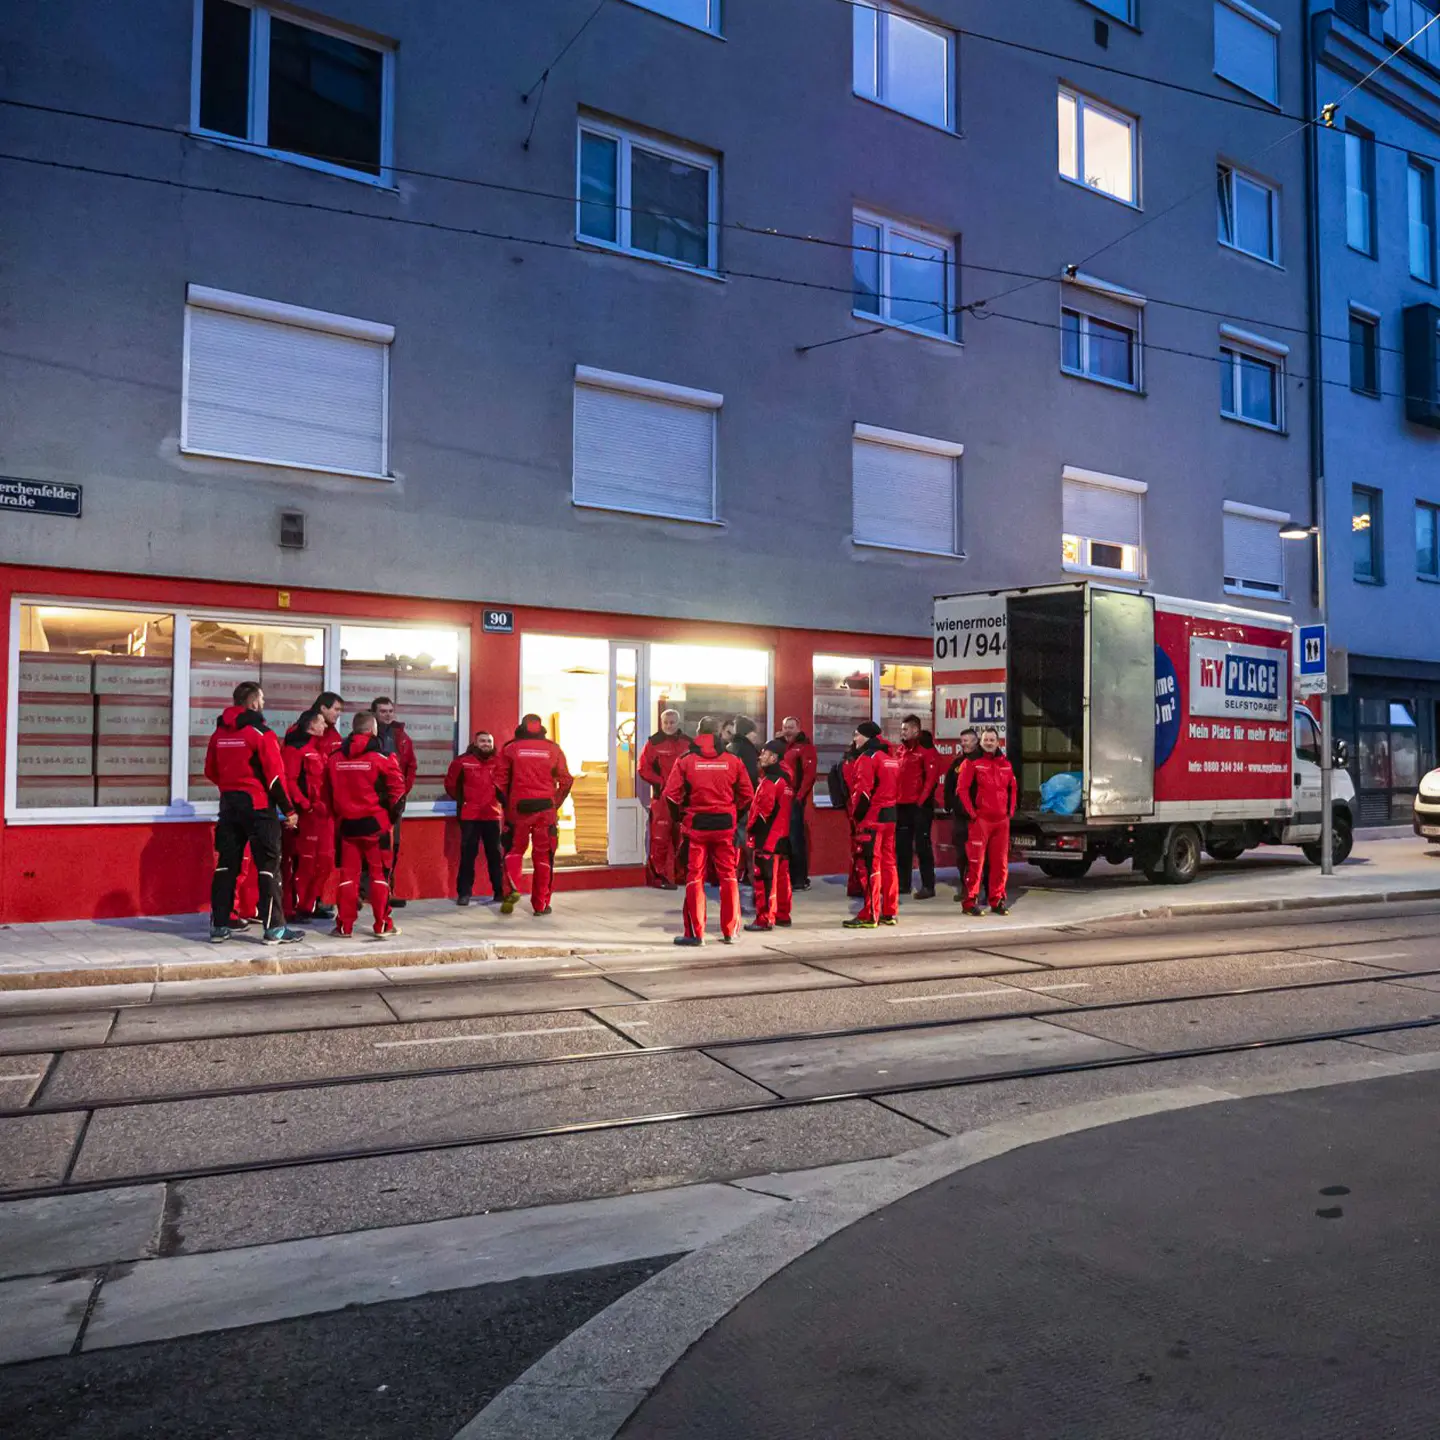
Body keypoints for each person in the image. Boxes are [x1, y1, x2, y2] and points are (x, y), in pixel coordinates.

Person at [205, 681, 301, 945]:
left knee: (226, 865)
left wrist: (231, 788)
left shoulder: (219, 734)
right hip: (259, 807)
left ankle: (220, 926)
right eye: (262, 699)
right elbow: (274, 778)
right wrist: (289, 810)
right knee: (269, 867)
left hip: (229, 806)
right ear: (252, 703)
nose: (264, 704)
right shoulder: (261, 734)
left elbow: (210, 771)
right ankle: (275, 929)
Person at [663, 716, 754, 946]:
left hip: (696, 827)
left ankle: (696, 934)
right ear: (720, 733)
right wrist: (734, 816)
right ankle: (730, 932)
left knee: (695, 877)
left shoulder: (686, 760)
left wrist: (680, 819)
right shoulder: (733, 760)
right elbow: (747, 796)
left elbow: (671, 796)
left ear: (698, 731)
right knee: (729, 876)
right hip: (725, 826)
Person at [328, 712, 406, 938]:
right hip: (376, 826)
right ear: (372, 730)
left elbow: (329, 793)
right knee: (379, 875)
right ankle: (382, 924)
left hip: (347, 826)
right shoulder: (382, 758)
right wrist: (390, 818)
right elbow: (398, 794)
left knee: (348, 877)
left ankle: (344, 926)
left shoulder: (334, 758)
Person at [495, 714, 573, 916]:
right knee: (544, 856)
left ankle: (511, 888)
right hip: (545, 810)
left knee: (514, 850)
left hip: (518, 809)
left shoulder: (510, 748)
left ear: (521, 727)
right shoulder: (553, 749)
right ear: (542, 729)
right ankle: (540, 904)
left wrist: (507, 805)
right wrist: (555, 803)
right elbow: (566, 781)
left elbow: (499, 781)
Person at [845, 720, 901, 929]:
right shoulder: (890, 758)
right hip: (890, 817)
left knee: (869, 866)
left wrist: (857, 818)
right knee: (889, 865)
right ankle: (889, 911)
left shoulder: (867, 759)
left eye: (857, 735)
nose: (854, 739)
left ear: (867, 737)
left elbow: (863, 793)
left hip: (872, 819)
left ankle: (870, 913)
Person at [957, 726, 1017, 916]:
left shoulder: (1006, 764)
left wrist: (1010, 812)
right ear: (981, 742)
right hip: (981, 821)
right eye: (986, 740)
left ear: (998, 742)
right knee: (975, 863)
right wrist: (972, 814)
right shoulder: (972, 763)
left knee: (1000, 864)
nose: (989, 743)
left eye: (992, 740)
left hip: (1001, 822)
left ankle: (997, 900)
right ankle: (970, 902)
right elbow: (962, 790)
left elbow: (1013, 789)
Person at [282, 708, 335, 923]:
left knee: (326, 862)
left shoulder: (320, 749)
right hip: (307, 816)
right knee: (304, 863)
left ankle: (310, 903)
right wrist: (306, 806)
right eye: (321, 722)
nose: (325, 726)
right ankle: (296, 907)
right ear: (311, 725)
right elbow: (290, 781)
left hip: (324, 815)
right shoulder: (296, 749)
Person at [445, 730, 505, 905]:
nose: (486, 744)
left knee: (495, 855)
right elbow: (450, 784)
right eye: (483, 741)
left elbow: (504, 784)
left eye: (489, 741)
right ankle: (464, 894)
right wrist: (463, 802)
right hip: (470, 815)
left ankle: (499, 892)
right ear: (475, 743)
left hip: (492, 814)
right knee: (467, 856)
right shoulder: (462, 761)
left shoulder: (499, 762)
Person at [371, 697, 417, 907]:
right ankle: (368, 891)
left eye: (390, 711)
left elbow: (411, 767)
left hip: (394, 800)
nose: (388, 715)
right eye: (383, 711)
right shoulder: (366, 735)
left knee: (393, 845)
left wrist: (402, 793)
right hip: (371, 800)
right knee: (371, 844)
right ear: (374, 714)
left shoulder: (401, 737)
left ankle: (389, 889)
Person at [637, 709, 689, 889]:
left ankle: (681, 875)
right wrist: (660, 784)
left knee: (683, 837)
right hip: (662, 800)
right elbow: (643, 768)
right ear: (661, 722)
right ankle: (660, 877)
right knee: (660, 839)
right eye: (666, 722)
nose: (669, 725)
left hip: (683, 800)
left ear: (678, 723)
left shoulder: (687, 743)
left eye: (672, 722)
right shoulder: (653, 743)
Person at [746, 738, 793, 932]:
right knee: (782, 878)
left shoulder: (769, 782)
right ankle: (783, 914)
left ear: (774, 757)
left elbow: (762, 813)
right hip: (782, 836)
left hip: (767, 839)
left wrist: (751, 831)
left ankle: (764, 918)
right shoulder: (785, 780)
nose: (761, 756)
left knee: (764, 880)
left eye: (764, 753)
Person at [894, 715, 941, 900]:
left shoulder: (926, 751)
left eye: (905, 729)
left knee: (922, 846)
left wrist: (920, 802)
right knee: (902, 846)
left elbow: (931, 779)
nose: (902, 732)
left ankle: (928, 886)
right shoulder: (901, 751)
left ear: (915, 730)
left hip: (919, 806)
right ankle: (903, 884)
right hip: (902, 805)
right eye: (902, 729)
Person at [943, 728, 983, 902]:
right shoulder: (958, 762)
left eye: (967, 740)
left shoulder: (983, 761)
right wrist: (948, 805)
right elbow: (949, 785)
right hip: (961, 816)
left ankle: (981, 890)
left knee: (980, 856)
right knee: (961, 855)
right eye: (962, 740)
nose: (963, 743)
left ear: (976, 741)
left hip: (979, 817)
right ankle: (965, 887)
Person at [780, 717, 818, 890]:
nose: (788, 730)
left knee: (796, 840)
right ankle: (787, 877)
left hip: (794, 801)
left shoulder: (804, 747)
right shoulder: (783, 746)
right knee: (785, 839)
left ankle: (799, 880)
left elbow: (809, 776)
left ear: (798, 728)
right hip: (781, 799)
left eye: (791, 727)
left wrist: (799, 798)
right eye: (785, 727)